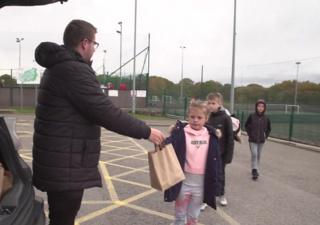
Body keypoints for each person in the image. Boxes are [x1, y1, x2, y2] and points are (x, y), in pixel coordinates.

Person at [32, 19, 165, 225]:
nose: (94, 49)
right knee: (63, 219)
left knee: (60, 216)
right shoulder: (73, 70)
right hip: (66, 163)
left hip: (62, 159)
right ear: (84, 43)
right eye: (94, 44)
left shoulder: (60, 66)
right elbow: (105, 112)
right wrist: (146, 131)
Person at [164, 100, 221, 225]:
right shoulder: (180, 133)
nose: (195, 120)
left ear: (206, 118)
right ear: (188, 117)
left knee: (193, 217)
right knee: (179, 216)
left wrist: (218, 183)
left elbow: (217, 162)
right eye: (192, 117)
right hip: (182, 182)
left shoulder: (211, 136)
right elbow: (165, 147)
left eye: (199, 117)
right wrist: (171, 134)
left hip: (201, 185)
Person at [204, 92, 234, 208]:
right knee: (207, 175)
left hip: (221, 154)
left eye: (213, 103)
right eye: (209, 103)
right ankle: (207, 198)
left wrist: (228, 156)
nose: (211, 105)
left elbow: (230, 138)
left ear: (219, 104)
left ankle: (221, 195)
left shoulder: (226, 118)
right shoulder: (206, 117)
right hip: (207, 152)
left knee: (220, 175)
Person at [244, 99, 271, 180]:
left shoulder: (266, 118)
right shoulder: (251, 116)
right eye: (259, 106)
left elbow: (269, 128)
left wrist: (265, 136)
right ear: (256, 107)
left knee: (258, 155)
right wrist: (250, 134)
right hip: (252, 140)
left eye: (262, 107)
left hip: (261, 140)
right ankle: (254, 170)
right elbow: (246, 125)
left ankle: (255, 168)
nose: (260, 108)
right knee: (254, 154)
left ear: (264, 108)